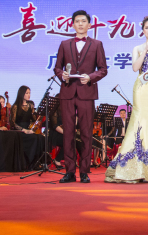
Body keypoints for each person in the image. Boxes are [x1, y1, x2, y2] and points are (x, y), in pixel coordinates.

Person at [105, 16, 148, 183]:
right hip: (141, 88)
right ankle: (132, 167)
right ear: (143, 30)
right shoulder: (137, 48)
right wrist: (145, 51)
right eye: (146, 28)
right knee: (138, 122)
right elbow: (135, 67)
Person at [55, 10, 108, 184]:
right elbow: (57, 68)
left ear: (89, 25)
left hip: (87, 93)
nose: (80, 24)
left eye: (83, 21)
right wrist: (62, 75)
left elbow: (103, 69)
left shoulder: (97, 44)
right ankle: (69, 171)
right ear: (72, 24)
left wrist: (90, 77)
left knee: (86, 133)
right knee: (68, 133)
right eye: (77, 21)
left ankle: (84, 171)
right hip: (68, 92)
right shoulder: (64, 44)